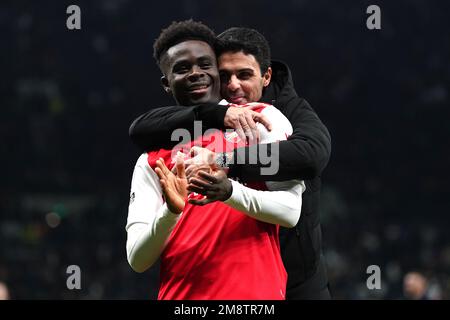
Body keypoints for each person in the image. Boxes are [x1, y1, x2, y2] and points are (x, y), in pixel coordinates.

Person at [129, 25, 332, 299]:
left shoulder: (266, 117)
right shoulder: (153, 157)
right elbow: (137, 260)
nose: (196, 74)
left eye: (205, 65)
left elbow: (305, 170)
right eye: (225, 75)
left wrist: (227, 178)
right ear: (167, 82)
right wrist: (170, 213)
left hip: (286, 288)